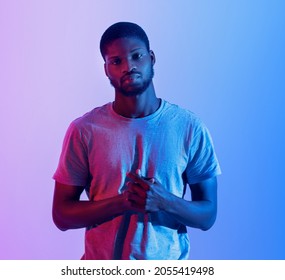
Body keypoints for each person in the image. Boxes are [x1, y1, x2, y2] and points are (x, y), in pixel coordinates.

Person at [52, 22, 221, 260]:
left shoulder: (189, 127)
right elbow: (61, 215)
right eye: (116, 61)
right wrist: (121, 203)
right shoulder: (84, 130)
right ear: (106, 70)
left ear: (151, 58)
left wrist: (164, 201)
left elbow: (208, 215)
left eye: (136, 56)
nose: (129, 66)